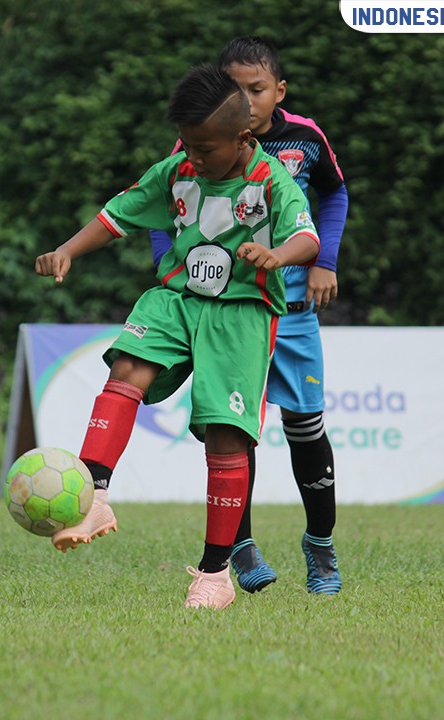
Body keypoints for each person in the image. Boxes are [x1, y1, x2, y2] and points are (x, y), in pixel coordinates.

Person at [36, 64, 320, 610]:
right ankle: (94, 493)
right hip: (177, 299)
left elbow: (305, 237)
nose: (194, 158)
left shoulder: (271, 182)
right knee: (126, 369)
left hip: (241, 314)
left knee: (225, 437)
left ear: (244, 138)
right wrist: (69, 249)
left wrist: (276, 255)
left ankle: (214, 576)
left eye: (205, 149)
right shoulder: (178, 169)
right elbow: (119, 214)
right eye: (187, 146)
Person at [151, 37, 349, 596]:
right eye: (233, 88)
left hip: (289, 310)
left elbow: (334, 197)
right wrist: (170, 271)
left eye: (256, 89)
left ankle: (321, 547)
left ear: (279, 91)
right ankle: (238, 547)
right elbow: (161, 206)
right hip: (226, 312)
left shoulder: (304, 139)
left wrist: (324, 262)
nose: (245, 99)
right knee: (231, 429)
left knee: (306, 425)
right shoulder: (200, 139)